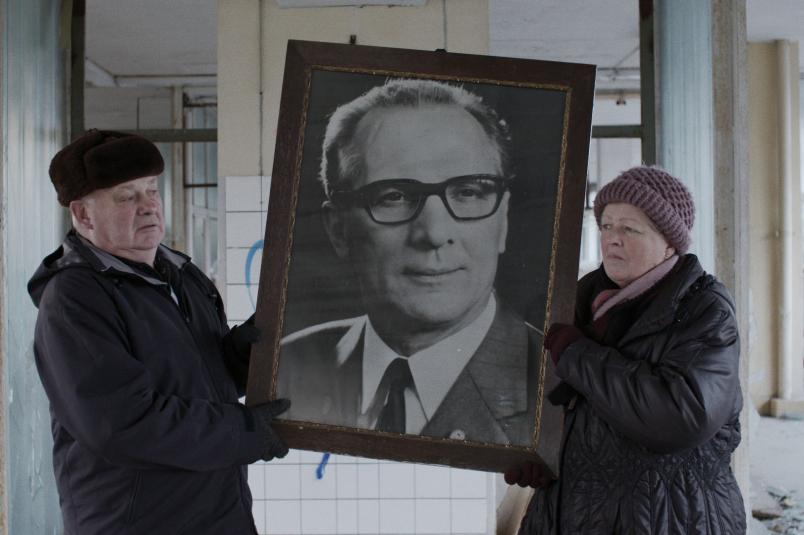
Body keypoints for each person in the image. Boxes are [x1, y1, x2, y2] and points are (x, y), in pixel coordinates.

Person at [28, 129, 291, 535]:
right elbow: (122, 424)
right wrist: (242, 432)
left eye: (152, 189)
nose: (148, 205)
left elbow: (194, 379)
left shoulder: (181, 274)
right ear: (83, 215)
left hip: (220, 516)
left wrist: (240, 356)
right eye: (126, 196)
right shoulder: (75, 298)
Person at [277, 79, 560, 447]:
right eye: (394, 196)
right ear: (338, 230)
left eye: (468, 192)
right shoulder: (284, 367)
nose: (434, 233)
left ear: (502, 221)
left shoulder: (558, 384)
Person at [507, 165, 745, 534]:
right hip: (568, 515)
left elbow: (682, 414)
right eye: (606, 226)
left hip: (668, 518)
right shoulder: (579, 300)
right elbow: (556, 399)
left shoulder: (702, 309)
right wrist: (539, 450)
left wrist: (578, 355)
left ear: (669, 243)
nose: (612, 239)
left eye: (629, 229)